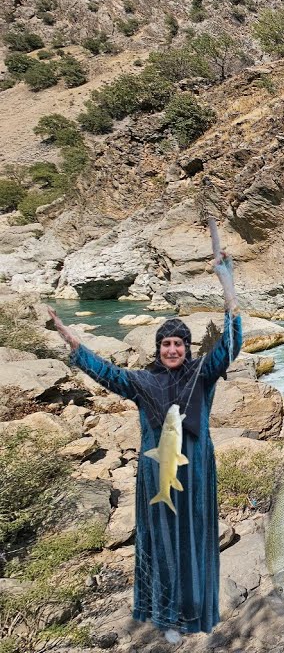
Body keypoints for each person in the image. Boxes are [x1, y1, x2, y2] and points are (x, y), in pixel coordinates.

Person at [50, 236, 241, 641]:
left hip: (197, 468)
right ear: (157, 349)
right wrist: (73, 342)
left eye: (178, 344)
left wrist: (229, 290)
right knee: (163, 544)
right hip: (157, 471)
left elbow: (231, 344)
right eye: (166, 344)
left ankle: (197, 614)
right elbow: (106, 373)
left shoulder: (203, 374)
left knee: (196, 541)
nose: (172, 349)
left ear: (187, 349)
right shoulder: (141, 381)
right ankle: (166, 616)